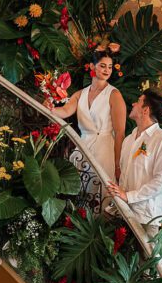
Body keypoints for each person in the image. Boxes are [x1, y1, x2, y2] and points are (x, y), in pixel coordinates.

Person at [49, 48, 126, 210]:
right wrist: (50, 108)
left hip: (105, 150)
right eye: (103, 66)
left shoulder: (114, 94)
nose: (107, 70)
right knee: (78, 193)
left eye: (110, 67)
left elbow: (120, 133)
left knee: (99, 196)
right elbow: (64, 111)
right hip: (83, 145)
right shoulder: (80, 94)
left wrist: (118, 165)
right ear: (92, 66)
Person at [106, 89, 162, 234]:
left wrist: (129, 196)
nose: (133, 103)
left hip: (145, 217)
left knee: (146, 257)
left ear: (145, 110)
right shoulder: (129, 139)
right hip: (121, 212)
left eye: (138, 101)